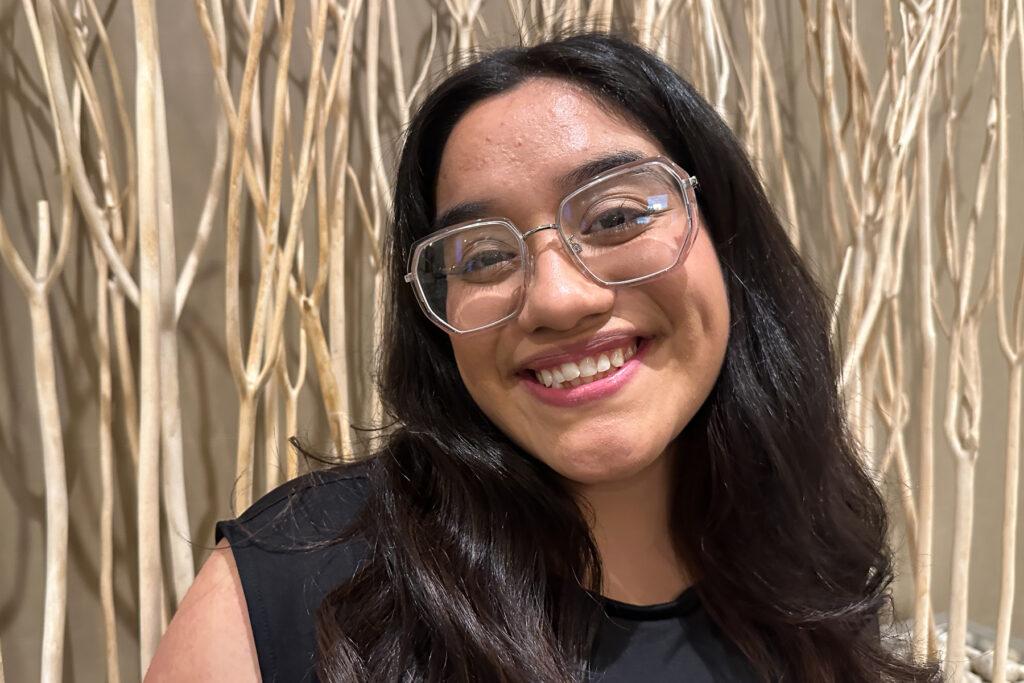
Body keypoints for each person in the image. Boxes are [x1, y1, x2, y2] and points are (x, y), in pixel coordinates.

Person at [147, 32, 942, 682]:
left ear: (724, 239)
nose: (558, 297)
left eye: (617, 214)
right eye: (484, 258)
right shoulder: (295, 588)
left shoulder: (807, 571)